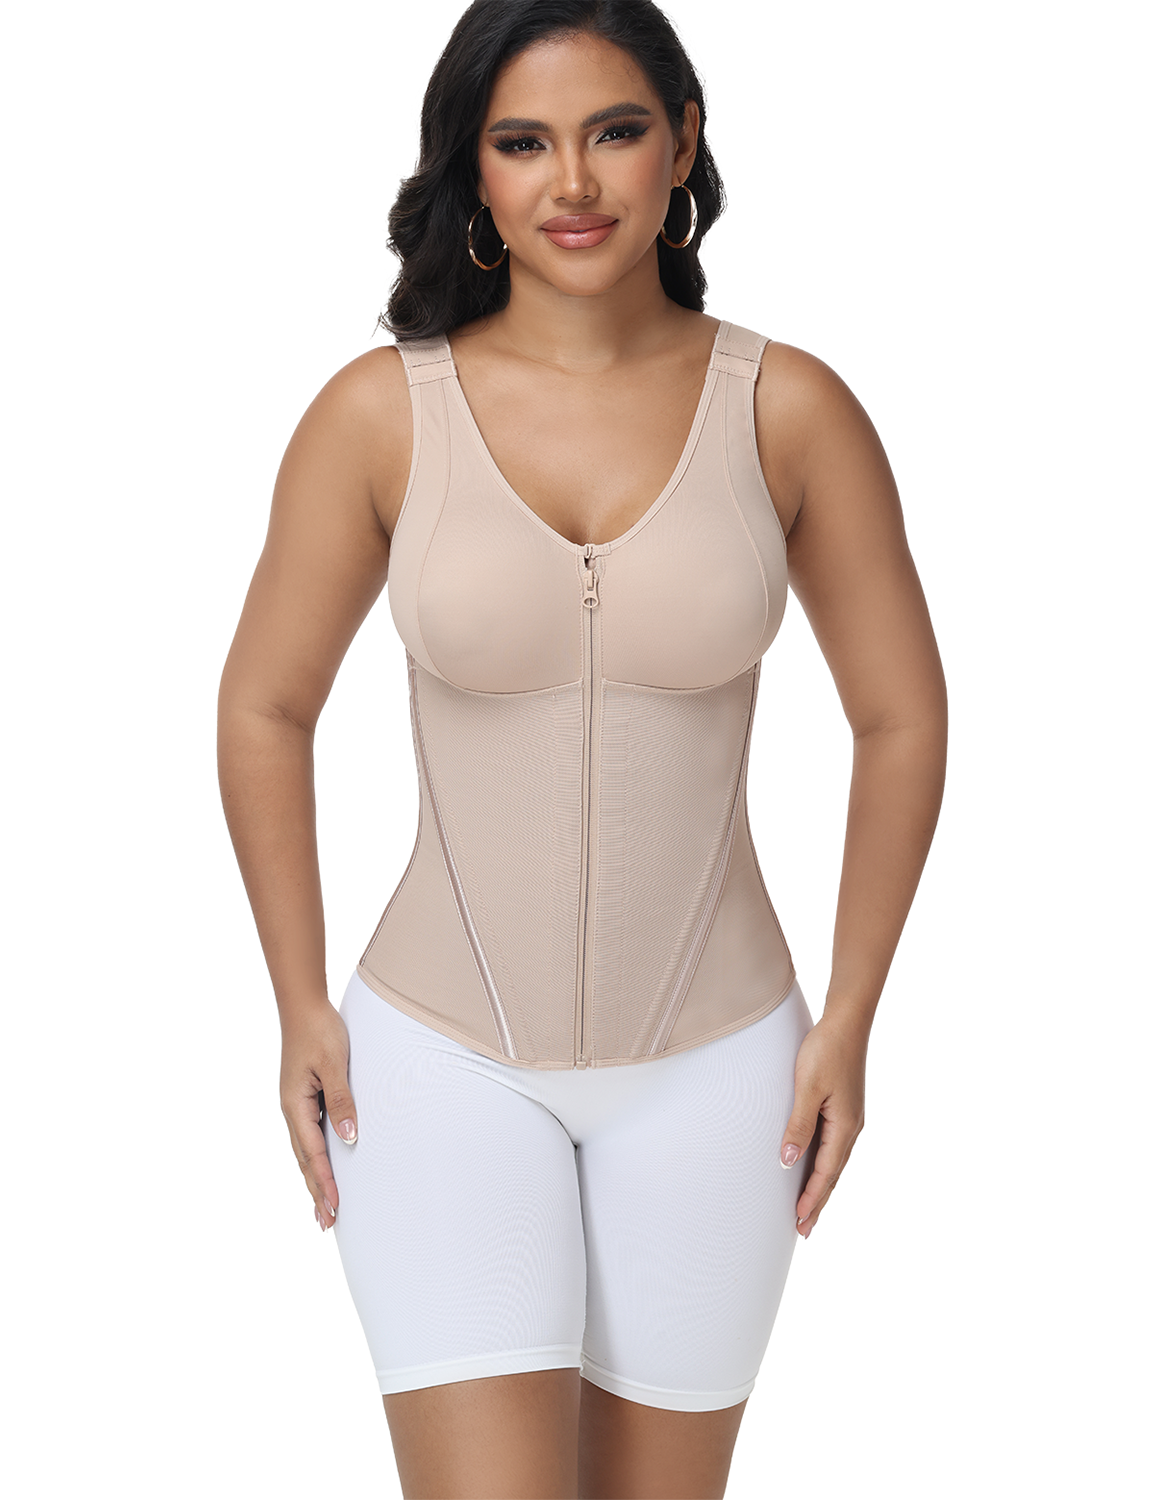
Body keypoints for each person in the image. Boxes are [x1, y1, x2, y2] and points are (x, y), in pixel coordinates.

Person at [217, 1, 947, 1494]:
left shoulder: (789, 410)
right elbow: (265, 706)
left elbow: (901, 717)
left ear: (683, 142)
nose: (573, 182)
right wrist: (297, 999)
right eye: (522, 142)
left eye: (615, 131)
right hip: (434, 1064)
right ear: (472, 172)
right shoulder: (379, 417)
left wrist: (852, 1018)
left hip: (726, 1072)